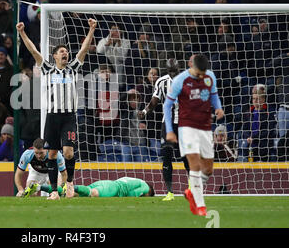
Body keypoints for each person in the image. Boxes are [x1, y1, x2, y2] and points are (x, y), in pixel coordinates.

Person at [16, 18, 97, 200]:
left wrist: (91, 29)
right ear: (54, 56)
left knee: (68, 152)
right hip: (52, 117)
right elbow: (33, 51)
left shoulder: (74, 68)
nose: (65, 53)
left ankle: (69, 183)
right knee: (51, 153)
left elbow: (83, 50)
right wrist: (22, 33)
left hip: (68, 117)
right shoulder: (47, 69)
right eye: (61, 51)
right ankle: (54, 191)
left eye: (66, 51)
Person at [164, 54, 224, 216]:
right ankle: (200, 206)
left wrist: (218, 108)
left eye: (203, 73)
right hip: (187, 128)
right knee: (195, 165)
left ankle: (192, 192)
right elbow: (167, 105)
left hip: (205, 127)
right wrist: (169, 130)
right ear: (191, 66)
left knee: (208, 169)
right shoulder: (180, 81)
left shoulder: (210, 76)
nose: (201, 76)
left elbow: (214, 95)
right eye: (198, 73)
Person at [139, 59, 190, 201]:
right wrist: (144, 111)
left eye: (175, 71)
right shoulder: (161, 82)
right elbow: (154, 101)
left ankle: (192, 188)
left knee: (185, 156)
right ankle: (170, 192)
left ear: (179, 68)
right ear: (167, 71)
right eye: (170, 71)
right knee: (166, 156)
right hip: (167, 124)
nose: (173, 74)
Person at [24, 176, 155, 198]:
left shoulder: (135, 179)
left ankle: (39, 187)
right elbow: (133, 195)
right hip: (113, 189)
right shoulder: (144, 186)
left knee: (78, 194)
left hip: (108, 183)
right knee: (92, 193)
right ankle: (71, 187)